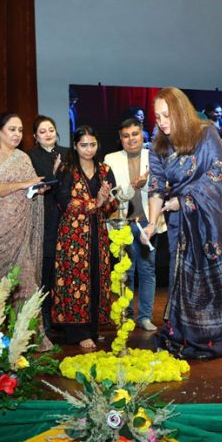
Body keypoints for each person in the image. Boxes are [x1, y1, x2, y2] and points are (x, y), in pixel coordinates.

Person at [142, 87, 222, 359]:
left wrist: (187, 199)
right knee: (180, 278)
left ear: (181, 111)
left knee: (212, 280)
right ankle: (183, 333)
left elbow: (218, 173)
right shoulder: (159, 145)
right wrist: (151, 222)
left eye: (167, 115)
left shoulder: (206, 134)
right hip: (180, 223)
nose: (162, 122)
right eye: (157, 117)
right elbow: (156, 187)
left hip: (210, 219)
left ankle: (220, 338)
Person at [0, 112, 53, 351]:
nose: (17, 134)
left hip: (22, 231)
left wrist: (37, 190)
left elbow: (29, 188)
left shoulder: (22, 157)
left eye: (20, 130)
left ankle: (28, 338)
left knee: (26, 283)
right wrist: (23, 185)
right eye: (12, 129)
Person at [52, 125, 118, 349]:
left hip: (98, 233)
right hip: (73, 235)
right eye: (83, 145)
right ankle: (78, 332)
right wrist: (95, 203)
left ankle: (92, 328)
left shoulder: (105, 170)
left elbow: (113, 204)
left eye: (92, 144)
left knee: (97, 279)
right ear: (75, 146)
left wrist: (107, 201)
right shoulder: (67, 169)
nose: (88, 149)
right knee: (75, 280)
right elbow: (64, 202)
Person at [104, 118, 166, 332]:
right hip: (123, 222)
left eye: (135, 134)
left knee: (147, 270)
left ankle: (146, 317)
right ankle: (127, 315)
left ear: (143, 135)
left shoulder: (154, 156)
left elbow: (163, 187)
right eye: (126, 135)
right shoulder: (110, 159)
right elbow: (112, 196)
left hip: (149, 221)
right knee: (126, 272)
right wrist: (133, 186)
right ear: (120, 139)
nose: (131, 139)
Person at [28, 115, 69, 330]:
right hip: (45, 215)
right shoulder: (30, 156)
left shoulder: (68, 152)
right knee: (46, 269)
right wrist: (54, 175)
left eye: (51, 129)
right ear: (35, 136)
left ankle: (65, 317)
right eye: (42, 131)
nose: (48, 134)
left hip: (67, 216)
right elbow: (36, 184)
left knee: (65, 268)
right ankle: (45, 320)